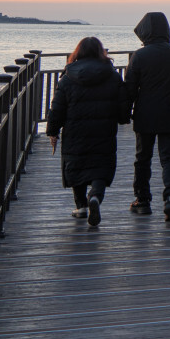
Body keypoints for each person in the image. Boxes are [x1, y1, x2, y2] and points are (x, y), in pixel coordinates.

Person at [46, 36, 130, 227]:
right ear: (101, 52)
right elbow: (123, 105)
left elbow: (57, 107)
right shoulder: (113, 76)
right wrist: (123, 118)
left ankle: (81, 205)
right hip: (103, 130)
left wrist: (52, 130)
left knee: (76, 163)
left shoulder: (67, 78)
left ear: (78, 52)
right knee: (101, 165)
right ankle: (95, 197)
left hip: (75, 131)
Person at [125, 12, 170, 221]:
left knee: (142, 158)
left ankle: (143, 201)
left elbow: (130, 87)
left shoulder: (139, 56)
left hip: (145, 113)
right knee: (169, 158)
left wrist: (124, 112)